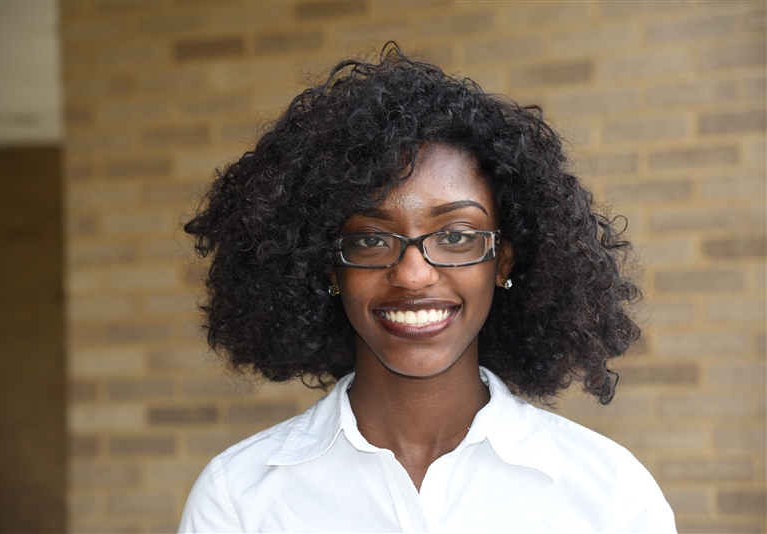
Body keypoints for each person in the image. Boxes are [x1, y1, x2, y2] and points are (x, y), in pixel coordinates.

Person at [179, 44, 675, 533]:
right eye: (371, 239)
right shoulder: (238, 500)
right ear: (329, 267)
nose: (413, 275)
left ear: (503, 259)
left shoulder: (609, 496)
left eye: (456, 236)